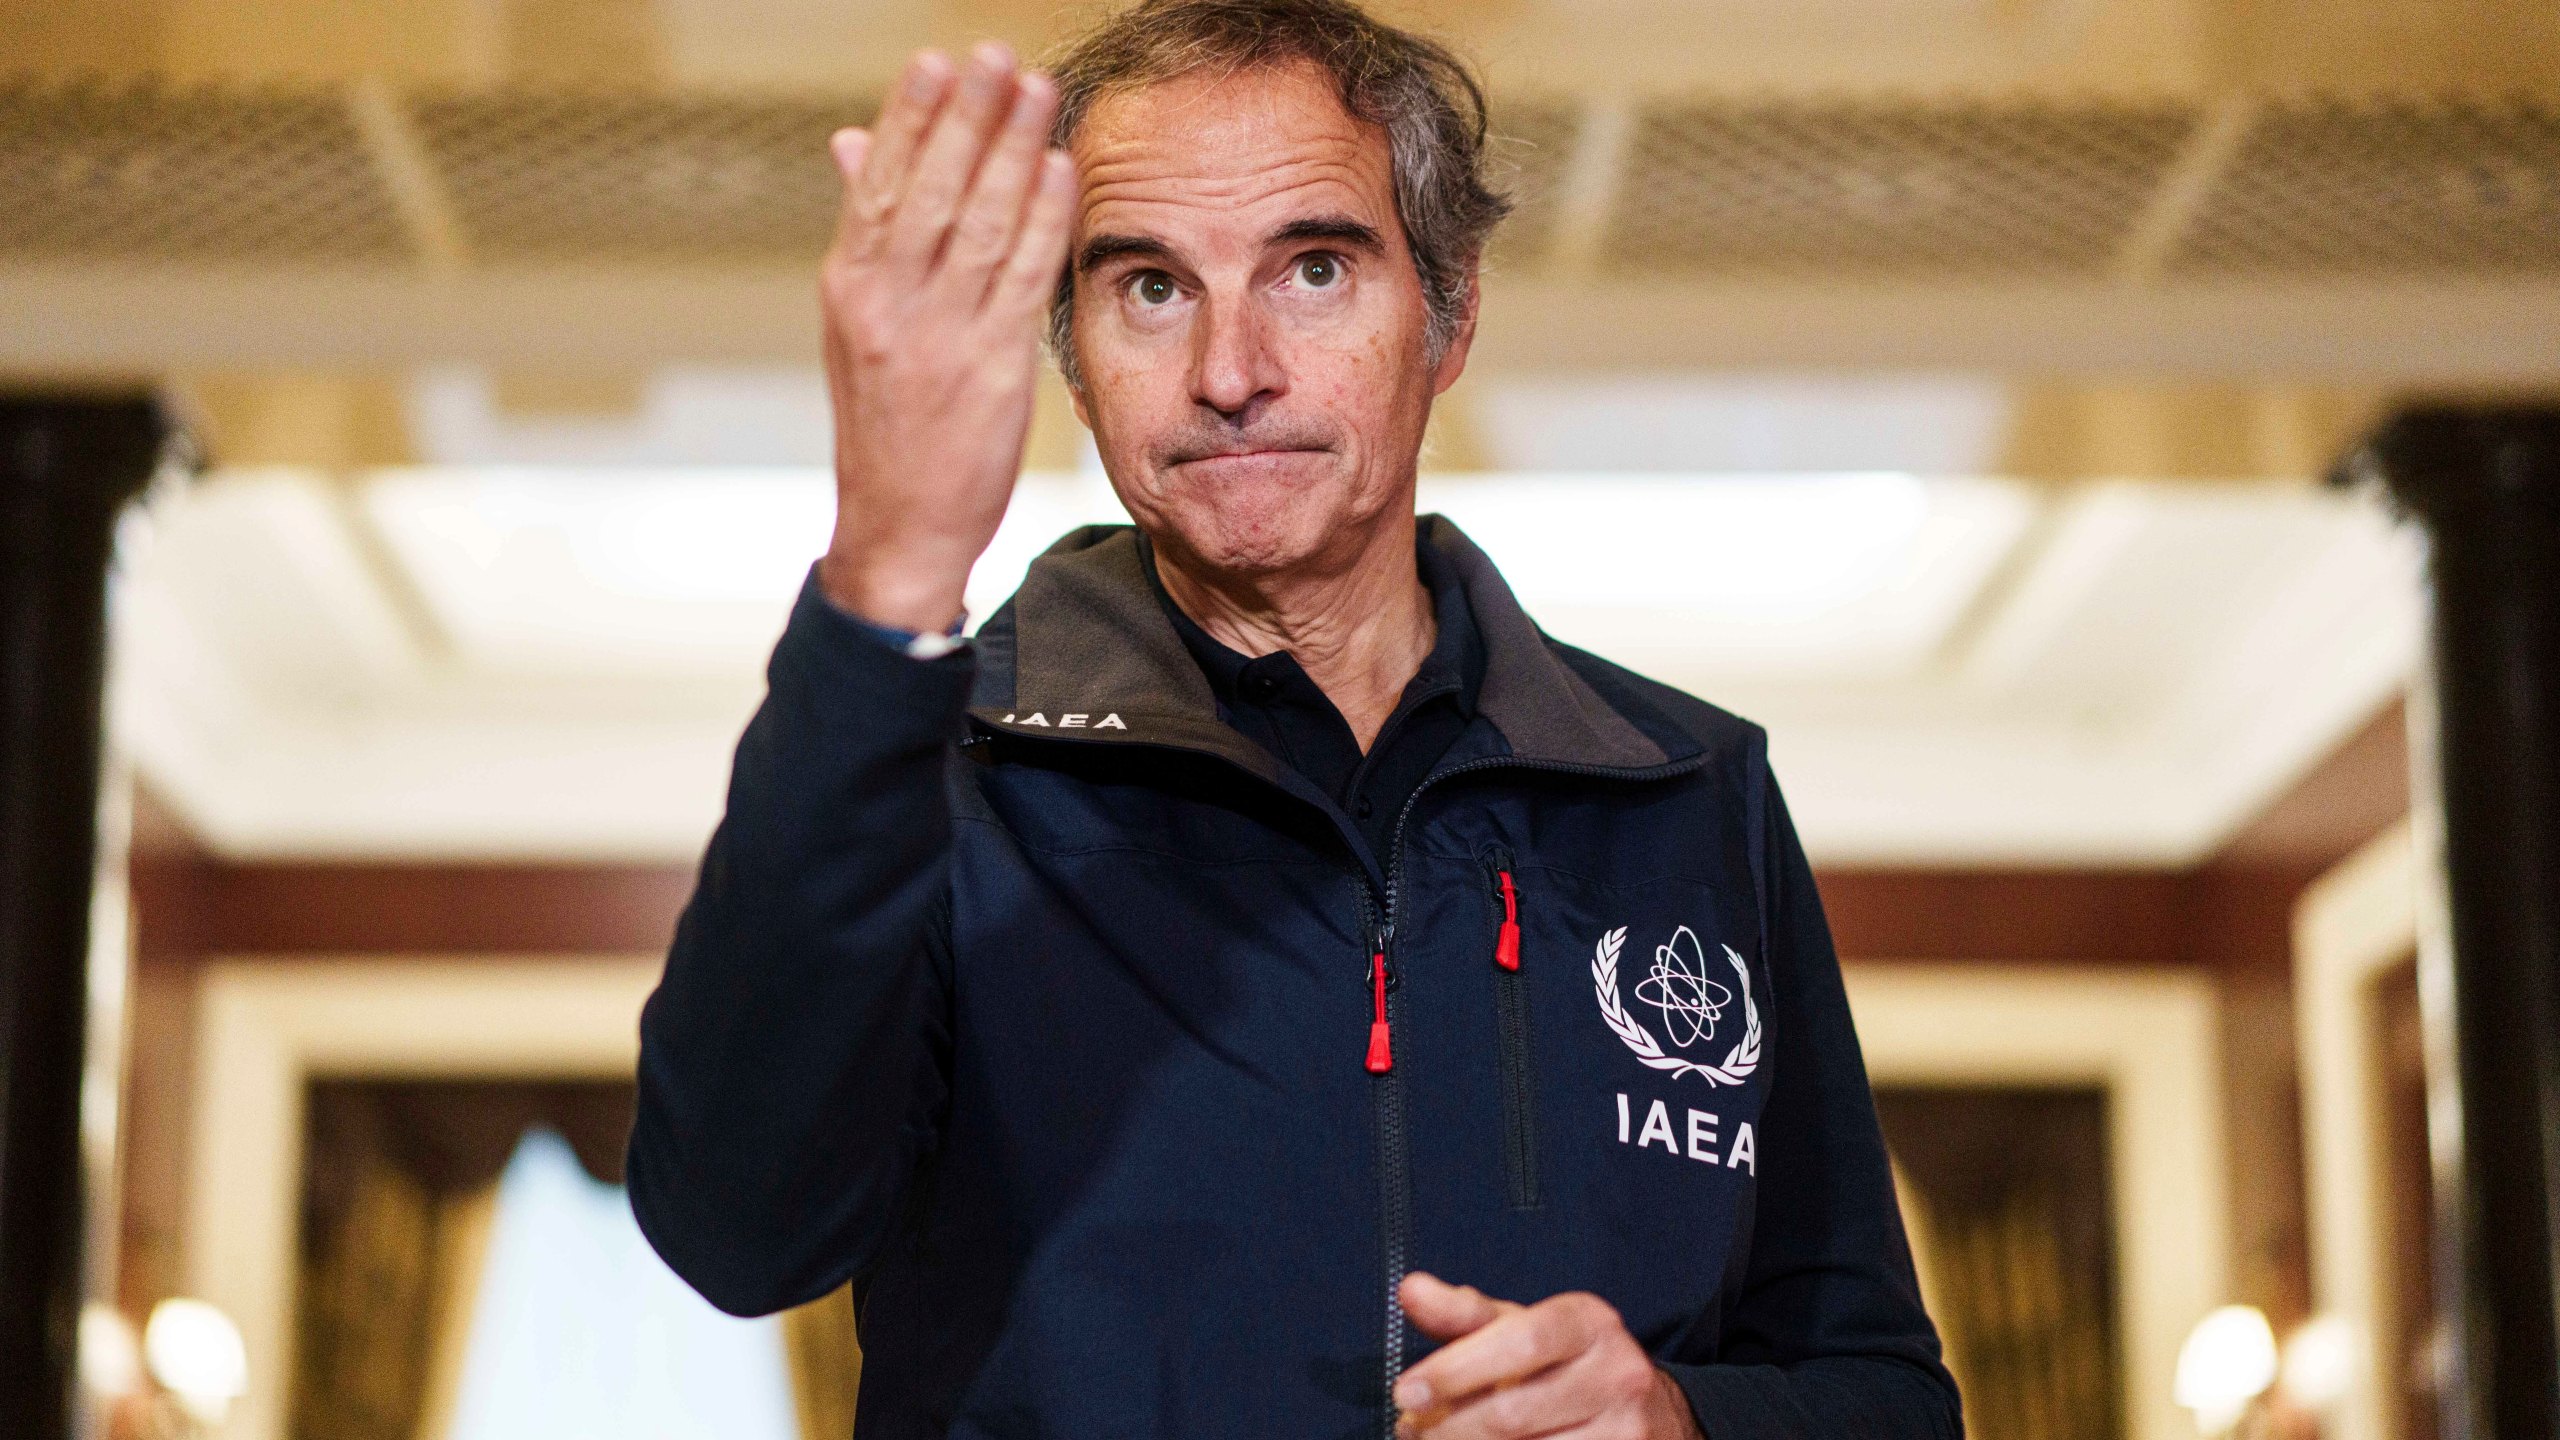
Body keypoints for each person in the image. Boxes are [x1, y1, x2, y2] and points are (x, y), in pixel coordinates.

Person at [627, 2, 1960, 1436]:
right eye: (1148, 288)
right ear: (1070, 353)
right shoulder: (932, 769)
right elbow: (735, 1228)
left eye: (1313, 269)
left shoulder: (1688, 787)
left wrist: (1682, 1423)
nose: (1229, 369)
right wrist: (887, 576)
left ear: (1447, 321)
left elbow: (1882, 1392)